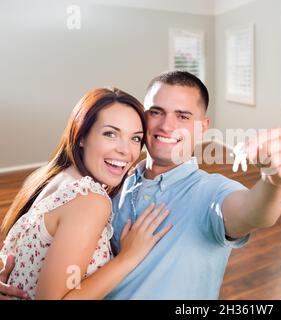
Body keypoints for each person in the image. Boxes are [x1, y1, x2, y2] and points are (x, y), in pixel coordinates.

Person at [103, 71, 281, 299]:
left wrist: (275, 181)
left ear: (203, 127)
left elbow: (254, 213)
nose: (167, 126)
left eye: (183, 116)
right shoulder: (121, 179)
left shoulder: (211, 192)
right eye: (156, 112)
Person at [0, 88, 171, 299]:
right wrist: (128, 257)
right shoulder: (90, 201)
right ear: (81, 137)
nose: (126, 151)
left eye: (135, 139)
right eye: (110, 134)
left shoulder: (55, 177)